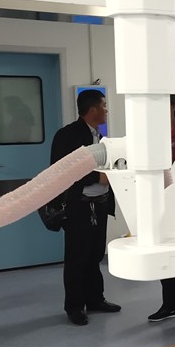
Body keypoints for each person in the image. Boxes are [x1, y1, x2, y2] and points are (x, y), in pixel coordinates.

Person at [49, 89, 122, 326]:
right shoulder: (67, 135)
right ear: (92, 110)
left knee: (95, 255)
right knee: (77, 258)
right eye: (104, 105)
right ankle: (74, 306)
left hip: (99, 204)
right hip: (78, 207)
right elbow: (62, 170)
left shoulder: (100, 136)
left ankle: (95, 299)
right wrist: (98, 178)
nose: (107, 110)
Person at [149, 94, 175, 323]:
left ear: (174, 106)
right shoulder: (154, 133)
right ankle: (170, 304)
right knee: (165, 250)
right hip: (161, 198)